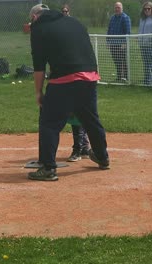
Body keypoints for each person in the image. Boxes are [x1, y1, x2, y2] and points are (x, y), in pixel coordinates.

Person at [28, 4, 110, 181]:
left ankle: (48, 168)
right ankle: (103, 158)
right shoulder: (74, 22)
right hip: (90, 76)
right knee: (90, 119)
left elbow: (39, 66)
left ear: (35, 17)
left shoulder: (39, 28)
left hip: (64, 79)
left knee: (49, 123)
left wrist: (38, 92)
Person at [59, 4, 92, 162]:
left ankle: (78, 149)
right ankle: (84, 146)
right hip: (78, 79)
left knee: (78, 116)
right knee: (78, 116)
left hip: (79, 80)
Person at [138, 2, 152, 86]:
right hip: (142, 44)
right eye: (145, 9)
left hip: (151, 44)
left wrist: (150, 36)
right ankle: (147, 80)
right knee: (145, 63)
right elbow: (140, 30)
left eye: (148, 9)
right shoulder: (142, 19)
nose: (147, 10)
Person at [107, 2, 131, 82]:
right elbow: (109, 30)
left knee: (123, 60)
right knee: (116, 61)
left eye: (118, 7)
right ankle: (119, 76)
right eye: (116, 7)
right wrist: (108, 42)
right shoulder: (112, 18)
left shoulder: (125, 18)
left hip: (121, 44)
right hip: (113, 44)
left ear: (122, 8)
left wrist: (124, 43)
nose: (117, 9)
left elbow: (127, 31)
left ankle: (125, 78)